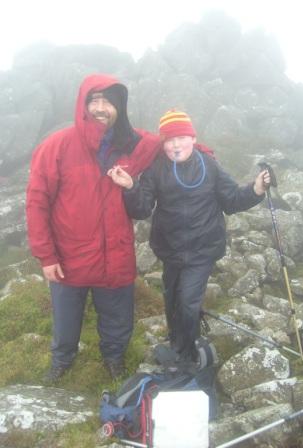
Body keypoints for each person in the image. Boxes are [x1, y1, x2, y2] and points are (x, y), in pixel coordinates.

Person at [26, 74, 161, 382]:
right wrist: (46, 256)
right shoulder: (57, 146)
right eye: (94, 100)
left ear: (119, 107)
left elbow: (165, 142)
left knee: (117, 317)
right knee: (66, 318)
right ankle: (62, 360)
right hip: (69, 256)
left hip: (115, 254)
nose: (101, 108)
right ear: (83, 105)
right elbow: (37, 203)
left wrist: (199, 149)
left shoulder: (130, 143)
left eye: (109, 101)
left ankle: (113, 359)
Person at [108, 109, 270, 363]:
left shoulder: (210, 165)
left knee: (187, 302)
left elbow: (232, 200)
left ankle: (186, 356)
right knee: (172, 298)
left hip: (202, 250)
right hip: (170, 249)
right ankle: (178, 341)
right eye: (169, 140)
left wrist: (257, 189)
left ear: (192, 138)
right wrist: (130, 187)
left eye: (181, 137)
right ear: (163, 144)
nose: (175, 144)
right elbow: (141, 209)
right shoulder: (156, 168)